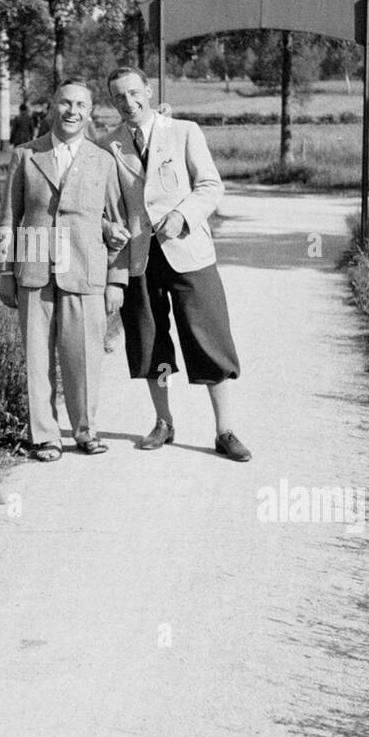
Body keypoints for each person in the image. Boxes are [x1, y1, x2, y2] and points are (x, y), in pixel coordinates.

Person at [100, 66, 251, 461]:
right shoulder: (108, 146)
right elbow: (103, 205)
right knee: (151, 342)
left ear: (148, 92)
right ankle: (164, 422)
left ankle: (225, 430)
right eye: (119, 97)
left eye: (135, 93)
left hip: (188, 253)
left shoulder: (184, 132)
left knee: (208, 338)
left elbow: (210, 185)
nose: (129, 103)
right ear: (112, 102)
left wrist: (183, 216)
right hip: (140, 258)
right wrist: (107, 228)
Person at [0, 78, 128, 461]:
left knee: (83, 357)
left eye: (81, 106)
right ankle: (45, 436)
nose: (72, 111)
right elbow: (8, 219)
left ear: (90, 113)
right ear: (53, 106)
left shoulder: (102, 160)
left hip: (85, 273)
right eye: (65, 103)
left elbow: (116, 224)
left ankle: (86, 431)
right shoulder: (25, 156)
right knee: (38, 360)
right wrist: (6, 272)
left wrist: (116, 279)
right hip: (34, 275)